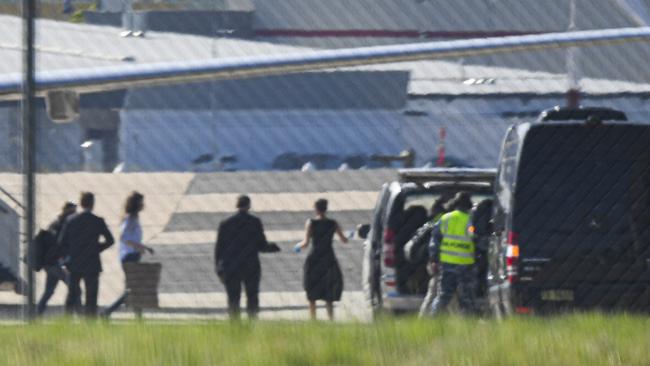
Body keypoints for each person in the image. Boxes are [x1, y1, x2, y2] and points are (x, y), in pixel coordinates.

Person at [214, 195, 279, 319]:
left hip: (231, 266)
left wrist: (218, 267)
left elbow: (219, 248)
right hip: (250, 265)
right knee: (252, 296)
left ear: (236, 205)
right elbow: (261, 245)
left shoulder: (225, 223)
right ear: (249, 206)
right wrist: (272, 247)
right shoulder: (254, 222)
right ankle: (252, 322)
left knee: (233, 298)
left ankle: (235, 325)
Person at [58, 192, 114, 317]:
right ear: (92, 204)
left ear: (81, 203)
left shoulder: (71, 221)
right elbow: (110, 240)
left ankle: (67, 320)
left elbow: (62, 242)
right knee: (91, 296)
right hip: (92, 262)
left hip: (75, 262)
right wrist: (97, 248)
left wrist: (69, 254)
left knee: (72, 294)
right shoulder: (98, 221)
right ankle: (90, 321)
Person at [101, 192, 154, 317]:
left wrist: (145, 247)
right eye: (141, 202)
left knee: (133, 288)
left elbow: (133, 239)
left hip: (133, 255)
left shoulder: (134, 218)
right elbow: (124, 237)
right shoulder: (130, 219)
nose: (143, 205)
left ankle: (137, 316)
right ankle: (108, 312)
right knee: (132, 289)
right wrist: (139, 247)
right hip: (130, 257)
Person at [295, 199, 348, 321]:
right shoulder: (333, 223)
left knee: (312, 288)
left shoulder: (311, 223)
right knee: (328, 288)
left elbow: (306, 242)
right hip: (328, 257)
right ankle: (331, 318)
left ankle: (313, 319)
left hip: (315, 257)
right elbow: (344, 240)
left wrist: (297, 246)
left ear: (316, 209)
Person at [428, 192, 477, 315]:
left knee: (443, 295)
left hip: (447, 264)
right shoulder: (470, 221)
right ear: (469, 205)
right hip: (465, 265)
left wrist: (434, 259)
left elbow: (435, 240)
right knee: (466, 297)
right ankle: (468, 323)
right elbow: (476, 239)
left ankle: (433, 318)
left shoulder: (445, 219)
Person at [36, 201, 77, 315]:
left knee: (49, 291)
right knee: (74, 288)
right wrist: (62, 262)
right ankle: (76, 316)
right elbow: (59, 247)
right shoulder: (64, 226)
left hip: (49, 263)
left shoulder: (55, 223)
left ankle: (37, 314)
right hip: (57, 263)